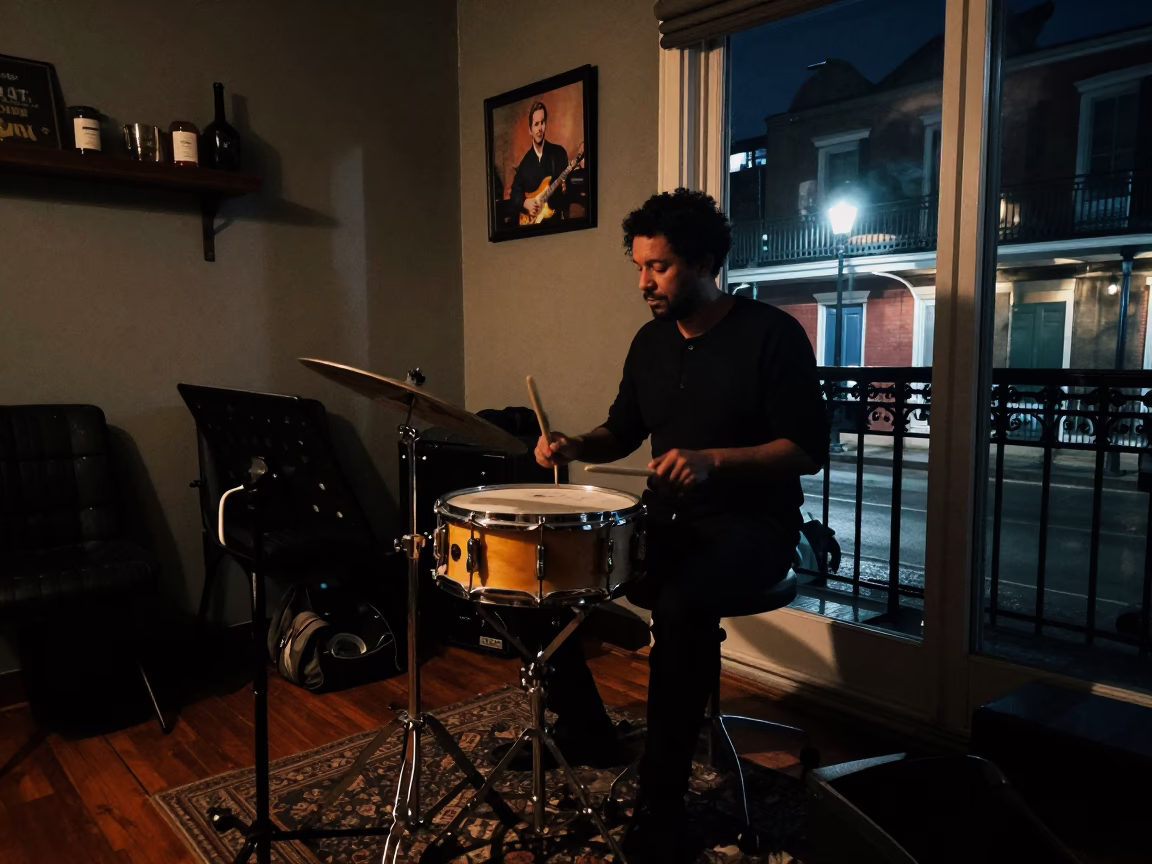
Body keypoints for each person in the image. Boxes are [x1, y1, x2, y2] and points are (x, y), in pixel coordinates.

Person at [534, 188, 829, 861]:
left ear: (702, 263)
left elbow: (808, 450)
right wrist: (574, 443)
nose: (643, 283)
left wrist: (712, 460)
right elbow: (621, 431)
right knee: (547, 565)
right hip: (666, 522)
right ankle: (585, 728)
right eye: (638, 267)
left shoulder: (771, 335)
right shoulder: (649, 343)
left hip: (754, 528)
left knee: (682, 602)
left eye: (658, 268)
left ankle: (661, 806)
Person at [509, 100, 570, 223]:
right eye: (536, 124)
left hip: (556, 223)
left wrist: (565, 188)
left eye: (542, 123)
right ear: (530, 130)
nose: (540, 128)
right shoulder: (525, 164)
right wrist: (525, 203)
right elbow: (514, 193)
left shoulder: (559, 153)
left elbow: (567, 194)